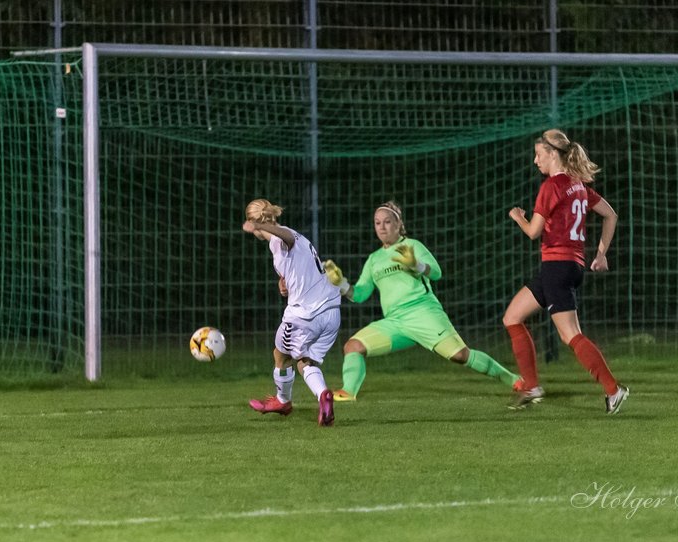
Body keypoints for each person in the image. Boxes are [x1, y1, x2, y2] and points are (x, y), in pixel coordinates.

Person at [322, 200, 519, 401]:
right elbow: (360, 295)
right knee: (353, 346)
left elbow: (436, 273)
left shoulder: (412, 245)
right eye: (377, 222)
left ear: (398, 224)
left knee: (460, 355)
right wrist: (341, 285)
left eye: (387, 222)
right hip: (395, 322)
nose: (382, 227)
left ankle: (513, 379)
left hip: (423, 312)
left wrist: (416, 264)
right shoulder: (374, 259)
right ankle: (348, 392)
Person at [503, 129, 629, 413]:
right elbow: (611, 214)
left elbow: (534, 232)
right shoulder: (579, 185)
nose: (535, 161)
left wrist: (518, 218)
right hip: (569, 266)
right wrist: (600, 254)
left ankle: (613, 389)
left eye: (538, 155)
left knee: (571, 335)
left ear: (551, 154)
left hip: (557, 267)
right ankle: (532, 385)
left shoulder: (552, 186)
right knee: (512, 317)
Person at [242, 198, 340, 426]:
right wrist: (283, 283)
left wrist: (260, 226)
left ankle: (285, 401)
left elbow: (284, 237)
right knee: (303, 360)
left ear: (252, 221)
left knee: (283, 355)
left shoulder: (282, 236)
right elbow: (297, 269)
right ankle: (319, 396)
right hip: (332, 311)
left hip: (307, 315)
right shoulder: (293, 241)